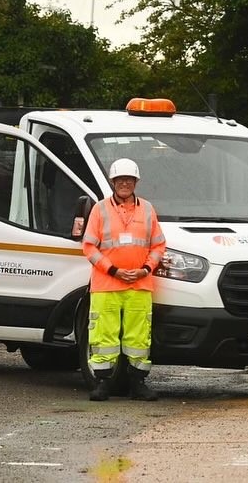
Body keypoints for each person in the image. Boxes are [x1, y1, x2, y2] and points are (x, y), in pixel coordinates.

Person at [81, 158, 166, 401]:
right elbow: (88, 247)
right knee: (103, 335)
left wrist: (146, 269)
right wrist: (113, 270)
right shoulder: (100, 209)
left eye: (129, 180)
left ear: (136, 182)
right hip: (107, 284)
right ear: (112, 182)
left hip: (139, 283)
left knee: (139, 337)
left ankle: (138, 384)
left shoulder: (147, 209)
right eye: (120, 180)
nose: (124, 184)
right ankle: (102, 384)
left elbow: (158, 245)